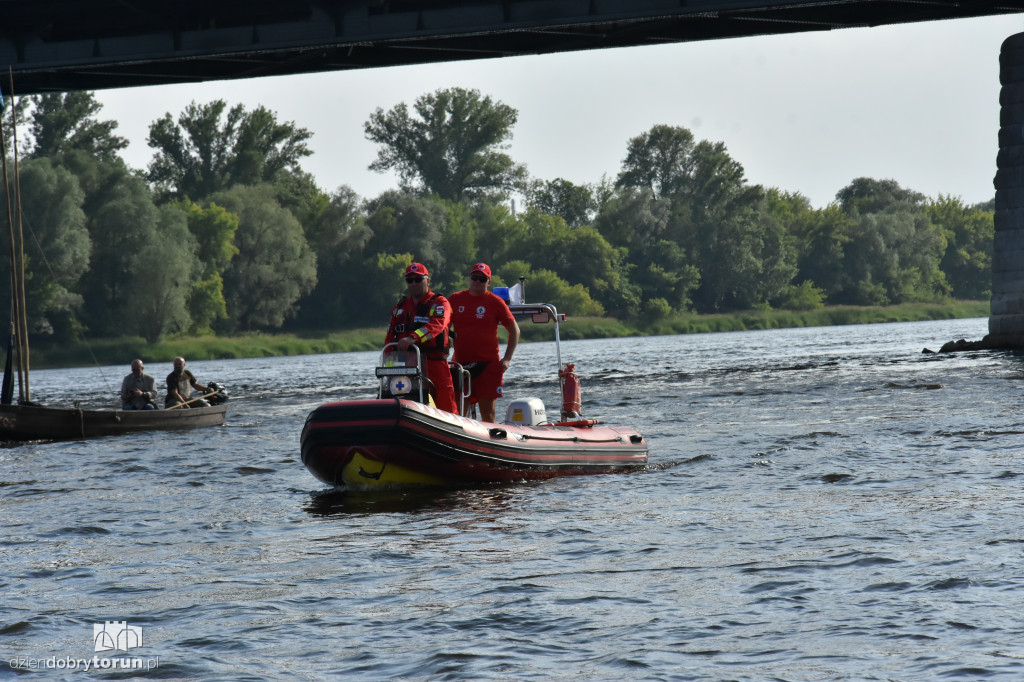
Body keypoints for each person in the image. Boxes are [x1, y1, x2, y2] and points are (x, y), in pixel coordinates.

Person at [449, 262, 521, 423]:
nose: (477, 281)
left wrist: (507, 359)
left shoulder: (495, 302)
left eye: (482, 279)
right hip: (461, 364)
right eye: (475, 277)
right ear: (470, 278)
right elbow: (443, 325)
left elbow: (514, 330)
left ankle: (491, 444)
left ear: (489, 281)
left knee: (488, 415)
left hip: (488, 365)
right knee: (460, 413)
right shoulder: (455, 299)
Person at [384, 262, 458, 414]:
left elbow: (437, 325)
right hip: (405, 366)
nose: (414, 284)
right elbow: (391, 337)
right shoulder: (400, 308)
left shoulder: (439, 303)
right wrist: (388, 367)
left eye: (418, 279)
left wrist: (413, 338)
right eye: (410, 280)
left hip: (434, 364)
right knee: (400, 402)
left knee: (447, 408)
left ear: (428, 281)